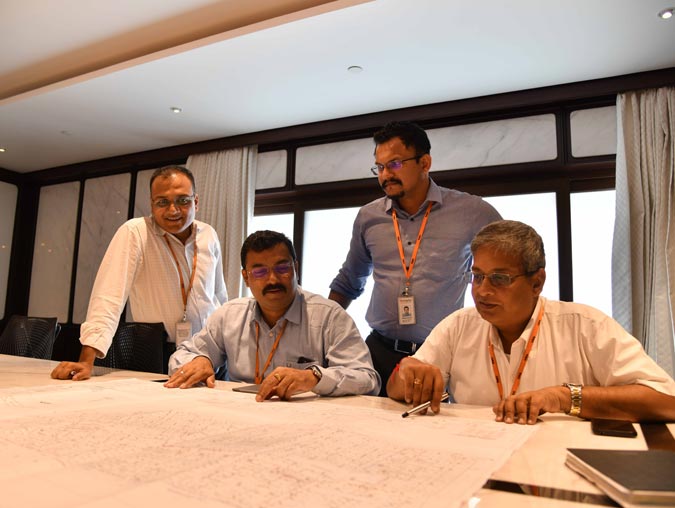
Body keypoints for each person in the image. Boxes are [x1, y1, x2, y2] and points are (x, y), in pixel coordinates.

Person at [387, 220, 675, 424]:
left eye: (499, 279)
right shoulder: (459, 325)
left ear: (537, 283)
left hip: (557, 466)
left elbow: (665, 401)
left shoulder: (584, 326)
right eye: (477, 276)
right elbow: (394, 390)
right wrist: (407, 372)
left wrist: (565, 398)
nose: (482, 291)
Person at [329, 121, 501, 395]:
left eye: (395, 164)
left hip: (441, 354)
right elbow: (349, 280)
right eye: (379, 167)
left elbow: (504, 270)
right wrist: (323, 336)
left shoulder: (473, 212)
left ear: (424, 162)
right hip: (378, 352)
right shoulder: (368, 217)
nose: (386, 175)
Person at [51, 165, 228, 381]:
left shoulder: (209, 234)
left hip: (208, 355)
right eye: (162, 202)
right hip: (157, 353)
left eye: (183, 200)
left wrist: (225, 344)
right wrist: (86, 361)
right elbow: (108, 297)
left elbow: (219, 296)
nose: (173, 210)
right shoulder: (135, 232)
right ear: (151, 204)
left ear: (196, 202)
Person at [166, 230, 380, 400]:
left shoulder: (329, 317)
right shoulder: (228, 315)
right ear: (246, 278)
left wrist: (314, 377)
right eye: (259, 272)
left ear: (296, 269)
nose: (272, 280)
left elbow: (367, 378)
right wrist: (200, 359)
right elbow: (181, 356)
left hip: (305, 419)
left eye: (282, 268)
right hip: (240, 413)